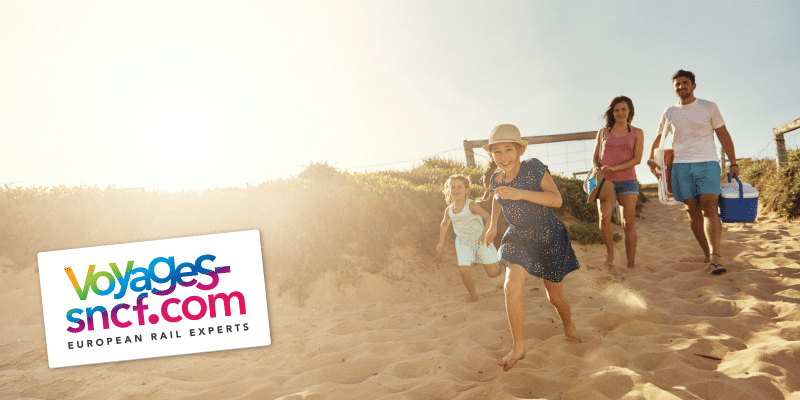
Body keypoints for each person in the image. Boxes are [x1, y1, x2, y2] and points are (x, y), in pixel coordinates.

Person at [482, 124, 582, 372]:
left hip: (548, 235)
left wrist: (521, 193)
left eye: (508, 150)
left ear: (519, 151)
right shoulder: (496, 179)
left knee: (555, 297)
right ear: (492, 155)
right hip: (518, 237)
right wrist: (493, 225)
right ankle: (518, 347)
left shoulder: (534, 168)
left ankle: (568, 325)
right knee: (510, 286)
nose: (503, 156)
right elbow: (498, 199)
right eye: (497, 151)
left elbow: (556, 200)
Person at [646, 69, 739, 275]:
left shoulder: (709, 107)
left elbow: (723, 134)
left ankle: (716, 256)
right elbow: (658, 139)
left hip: (707, 163)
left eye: (685, 82)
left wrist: (733, 162)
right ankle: (707, 253)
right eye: (677, 84)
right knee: (692, 211)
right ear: (674, 88)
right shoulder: (669, 112)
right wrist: (651, 160)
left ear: (694, 85)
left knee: (710, 207)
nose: (681, 86)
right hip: (680, 166)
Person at [590, 96, 644, 268]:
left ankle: (631, 262)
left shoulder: (637, 132)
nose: (620, 113)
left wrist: (616, 169)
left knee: (627, 222)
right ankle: (610, 255)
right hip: (606, 182)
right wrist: (596, 168)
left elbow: (637, 159)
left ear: (630, 111)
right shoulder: (603, 132)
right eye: (616, 110)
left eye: (623, 109)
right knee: (604, 217)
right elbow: (595, 158)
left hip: (628, 181)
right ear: (612, 113)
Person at [436, 174, 503, 302]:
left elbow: (489, 217)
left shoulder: (471, 205)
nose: (456, 190)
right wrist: (441, 243)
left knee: (492, 273)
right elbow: (444, 225)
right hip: (463, 242)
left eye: (459, 187)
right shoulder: (449, 210)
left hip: (480, 240)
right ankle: (473, 296)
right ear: (448, 191)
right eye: (453, 187)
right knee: (463, 270)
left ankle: (502, 264)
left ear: (466, 190)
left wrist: (484, 234)